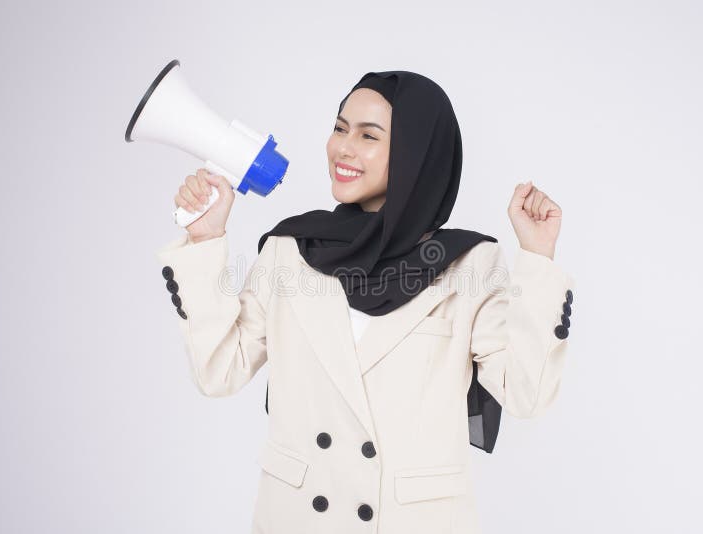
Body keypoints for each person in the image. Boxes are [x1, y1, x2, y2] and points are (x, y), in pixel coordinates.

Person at [156, 70, 576, 534]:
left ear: (418, 155)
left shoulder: (469, 263)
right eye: (340, 128)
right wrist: (205, 239)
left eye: (368, 135)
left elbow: (526, 395)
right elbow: (219, 372)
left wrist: (538, 258)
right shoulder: (292, 249)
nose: (343, 148)